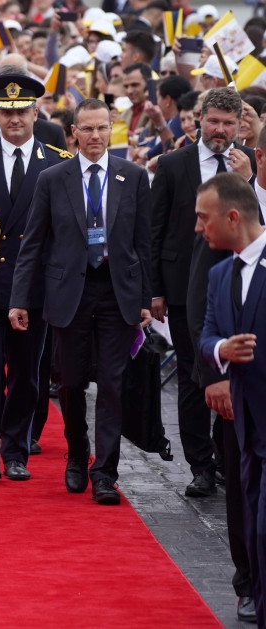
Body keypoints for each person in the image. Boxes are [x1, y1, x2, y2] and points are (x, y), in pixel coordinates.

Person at [9, 98, 153, 506]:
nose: (95, 136)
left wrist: (146, 297)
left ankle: (104, 472)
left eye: (102, 128)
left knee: (112, 383)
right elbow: (33, 243)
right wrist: (20, 298)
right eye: (87, 129)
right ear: (73, 132)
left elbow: (143, 243)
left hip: (116, 292)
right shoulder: (53, 178)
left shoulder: (133, 176)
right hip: (68, 292)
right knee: (70, 382)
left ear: (113, 130)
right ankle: (76, 453)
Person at [0, 73, 71, 483]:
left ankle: (16, 450)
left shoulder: (58, 162)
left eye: (22, 111)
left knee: (26, 372)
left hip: (33, 288)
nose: (14, 120)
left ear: (35, 112)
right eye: (6, 112)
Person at [150, 88, 256, 498]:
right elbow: (155, 230)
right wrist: (154, 290)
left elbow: (257, 221)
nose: (220, 130)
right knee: (196, 375)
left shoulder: (247, 164)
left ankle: (224, 454)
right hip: (183, 287)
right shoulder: (175, 164)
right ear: (199, 119)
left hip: (238, 285)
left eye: (229, 124)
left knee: (231, 370)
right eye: (214, 121)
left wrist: (248, 180)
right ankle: (200, 465)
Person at [196, 172, 266, 627]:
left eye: (204, 219)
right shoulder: (220, 273)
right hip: (246, 430)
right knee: (253, 536)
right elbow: (207, 333)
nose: (199, 228)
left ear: (233, 216)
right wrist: (221, 352)